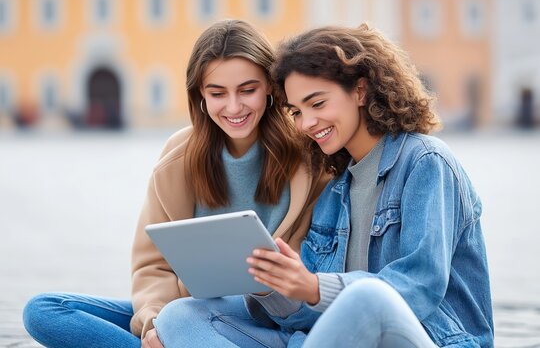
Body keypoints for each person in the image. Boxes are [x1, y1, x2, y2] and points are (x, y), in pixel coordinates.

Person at [153, 23, 493, 348]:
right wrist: (272, 285)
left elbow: (420, 285)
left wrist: (315, 287)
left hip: (430, 339)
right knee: (180, 316)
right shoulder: (334, 193)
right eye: (296, 111)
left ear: (360, 90)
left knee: (368, 296)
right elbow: (305, 315)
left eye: (317, 104)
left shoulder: (425, 162)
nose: (307, 124)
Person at [22, 19, 327, 348]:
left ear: (269, 86)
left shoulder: (308, 155)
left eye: (247, 90)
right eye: (217, 93)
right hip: (186, 309)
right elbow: (153, 264)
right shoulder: (178, 157)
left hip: (269, 319)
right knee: (44, 311)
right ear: (199, 94)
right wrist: (155, 323)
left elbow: (322, 262)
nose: (234, 107)